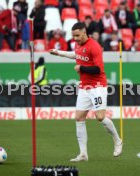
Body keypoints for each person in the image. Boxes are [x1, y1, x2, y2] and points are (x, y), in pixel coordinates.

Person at [49, 22, 123, 162]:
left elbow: (98, 69)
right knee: (79, 118)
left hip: (98, 86)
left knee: (100, 117)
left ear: (84, 32)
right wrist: (59, 53)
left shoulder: (94, 46)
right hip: (84, 87)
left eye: (77, 35)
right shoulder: (78, 44)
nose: (75, 39)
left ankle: (118, 140)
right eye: (73, 36)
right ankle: (83, 154)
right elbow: (76, 55)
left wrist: (81, 68)